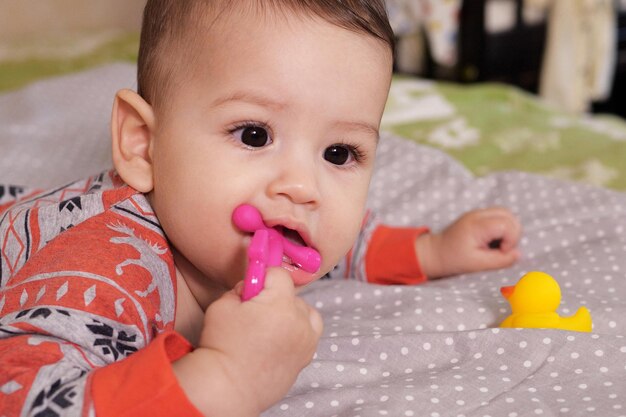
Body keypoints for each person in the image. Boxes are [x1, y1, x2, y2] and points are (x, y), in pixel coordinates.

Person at [0, 1, 522, 416]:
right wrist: (230, 379)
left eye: (338, 153)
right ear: (143, 144)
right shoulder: (106, 269)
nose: (302, 187)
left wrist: (430, 250)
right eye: (255, 135)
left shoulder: (246, 228)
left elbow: (338, 241)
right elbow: (23, 398)